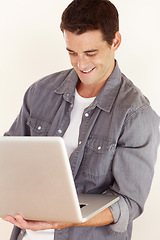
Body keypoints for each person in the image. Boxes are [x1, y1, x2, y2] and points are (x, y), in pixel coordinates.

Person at [2, 0, 160, 239]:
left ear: (115, 41)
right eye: (72, 52)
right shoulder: (40, 92)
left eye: (90, 53)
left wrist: (66, 220)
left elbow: (129, 203)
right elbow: (9, 158)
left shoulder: (136, 114)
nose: (81, 63)